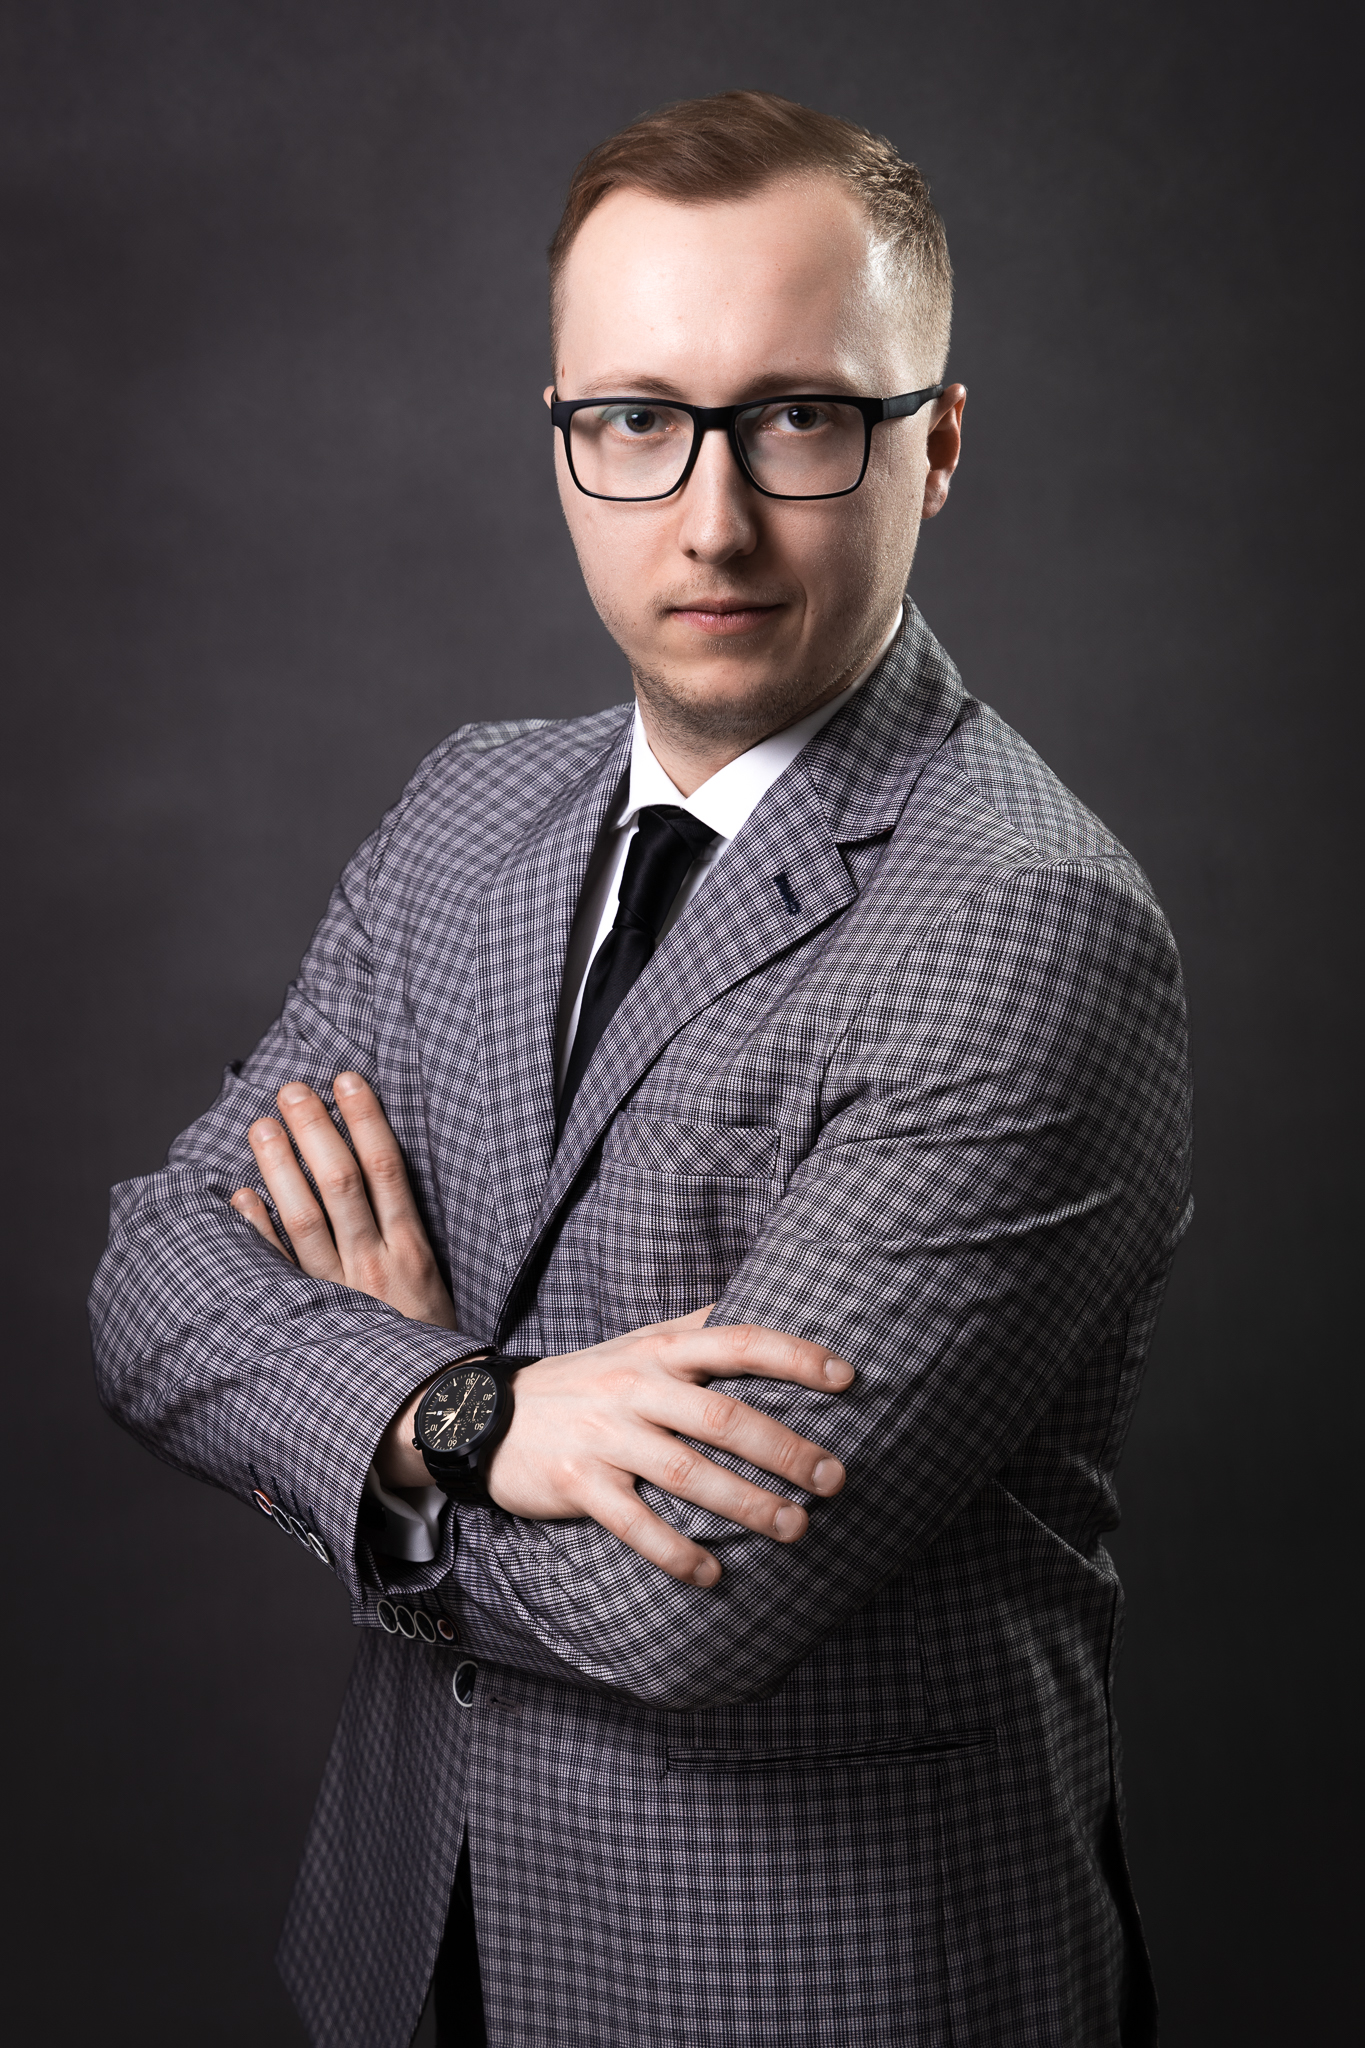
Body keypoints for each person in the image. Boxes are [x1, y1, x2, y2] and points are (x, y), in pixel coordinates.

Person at [90, 90, 1190, 2048]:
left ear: (934, 444)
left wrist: (386, 1434)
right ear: (561, 440)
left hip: (804, 1995)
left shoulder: (1025, 928)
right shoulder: (463, 814)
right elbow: (154, 1273)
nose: (709, 517)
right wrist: (471, 1410)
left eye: (798, 418)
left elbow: (689, 1604)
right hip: (411, 1951)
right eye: (633, 420)